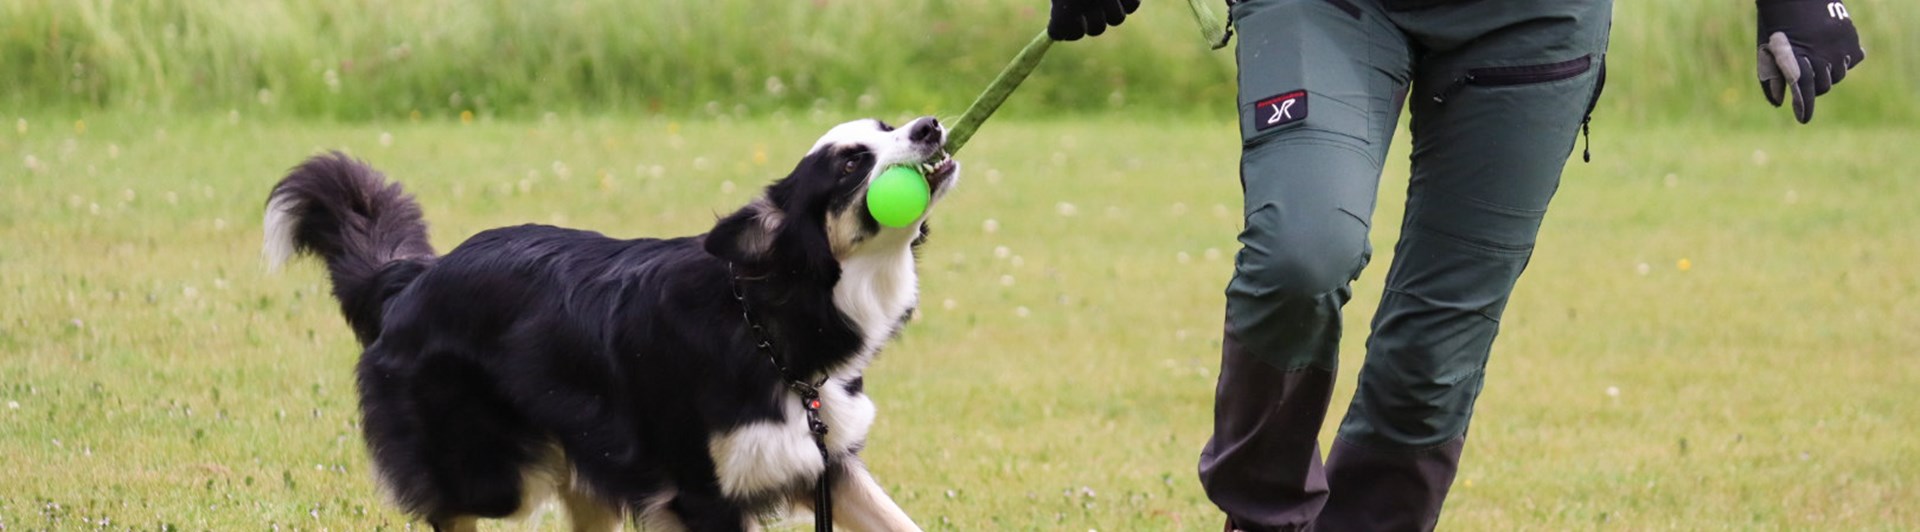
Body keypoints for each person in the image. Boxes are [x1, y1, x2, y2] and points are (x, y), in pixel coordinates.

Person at [1046, 0, 1864, 530]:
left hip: (1533, 19)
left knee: (1432, 361)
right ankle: (1266, 516)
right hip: (1326, 8)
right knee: (1301, 252)